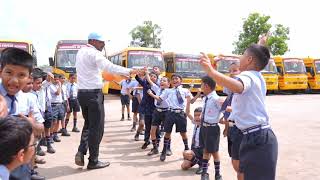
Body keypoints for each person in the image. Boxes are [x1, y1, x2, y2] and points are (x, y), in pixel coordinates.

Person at [199, 44, 278, 180]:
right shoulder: (256, 75)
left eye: (242, 55)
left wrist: (211, 71)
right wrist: (261, 43)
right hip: (252, 135)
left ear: (249, 60)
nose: (239, 58)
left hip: (257, 137)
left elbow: (238, 86)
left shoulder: (248, 76)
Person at [75, 32, 136, 169]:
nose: (103, 44)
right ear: (92, 41)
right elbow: (110, 67)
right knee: (97, 128)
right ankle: (93, 161)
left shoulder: (80, 52)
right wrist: (132, 71)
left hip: (82, 94)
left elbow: (94, 74)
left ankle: (81, 151)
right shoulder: (95, 53)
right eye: (101, 42)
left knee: (88, 125)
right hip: (93, 95)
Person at [0, 47, 45, 180]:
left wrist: (30, 123)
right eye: (9, 72)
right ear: (1, 71)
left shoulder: (28, 98)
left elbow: (40, 129)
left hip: (20, 163)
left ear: (28, 77)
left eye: (21, 75)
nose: (14, 80)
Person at [149, 74, 192, 162]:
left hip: (180, 113)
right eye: (173, 79)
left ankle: (187, 149)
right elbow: (160, 99)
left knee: (183, 133)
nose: (174, 80)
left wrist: (198, 94)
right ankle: (164, 151)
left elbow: (190, 100)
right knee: (167, 132)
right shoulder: (168, 91)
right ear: (171, 82)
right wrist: (152, 94)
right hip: (170, 113)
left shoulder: (185, 90)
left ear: (181, 81)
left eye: (177, 78)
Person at [198, 76, 223, 180]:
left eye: (202, 84)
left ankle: (217, 174)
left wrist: (221, 120)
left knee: (214, 151)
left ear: (206, 86)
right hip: (204, 127)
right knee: (205, 150)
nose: (201, 86)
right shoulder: (205, 98)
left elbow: (226, 112)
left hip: (212, 128)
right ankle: (204, 173)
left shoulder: (216, 99)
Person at [221, 62, 243, 180]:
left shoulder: (244, 89)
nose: (232, 73)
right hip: (231, 127)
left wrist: (233, 109)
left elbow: (244, 109)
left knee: (239, 161)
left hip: (240, 128)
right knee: (234, 159)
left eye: (235, 70)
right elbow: (227, 112)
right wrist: (226, 128)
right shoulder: (230, 93)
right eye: (230, 71)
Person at [146, 73, 170, 156]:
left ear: (168, 84)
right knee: (152, 130)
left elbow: (159, 99)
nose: (162, 82)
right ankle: (155, 148)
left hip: (166, 112)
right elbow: (149, 80)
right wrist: (146, 72)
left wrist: (151, 94)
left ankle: (167, 148)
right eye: (161, 81)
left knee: (167, 131)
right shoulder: (158, 89)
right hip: (157, 111)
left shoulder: (167, 91)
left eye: (164, 81)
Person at [135, 68, 159, 149]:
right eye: (151, 76)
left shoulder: (157, 87)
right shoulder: (145, 84)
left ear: (157, 79)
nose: (152, 77)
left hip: (155, 110)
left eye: (154, 77)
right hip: (146, 109)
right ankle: (146, 141)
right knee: (147, 126)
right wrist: (138, 73)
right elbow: (137, 78)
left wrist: (147, 74)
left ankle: (156, 142)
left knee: (155, 127)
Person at [181, 107, 203, 174]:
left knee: (186, 153)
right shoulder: (195, 123)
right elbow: (187, 113)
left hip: (203, 150)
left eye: (199, 115)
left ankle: (203, 165)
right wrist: (188, 99)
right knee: (184, 166)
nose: (197, 117)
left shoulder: (205, 125)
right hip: (195, 149)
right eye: (195, 115)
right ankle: (200, 162)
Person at [49, 73, 64, 143]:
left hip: (60, 104)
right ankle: (51, 135)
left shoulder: (58, 85)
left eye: (57, 79)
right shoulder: (51, 86)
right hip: (54, 105)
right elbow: (57, 93)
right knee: (53, 121)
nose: (56, 81)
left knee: (58, 120)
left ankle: (55, 134)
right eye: (55, 79)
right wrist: (60, 85)